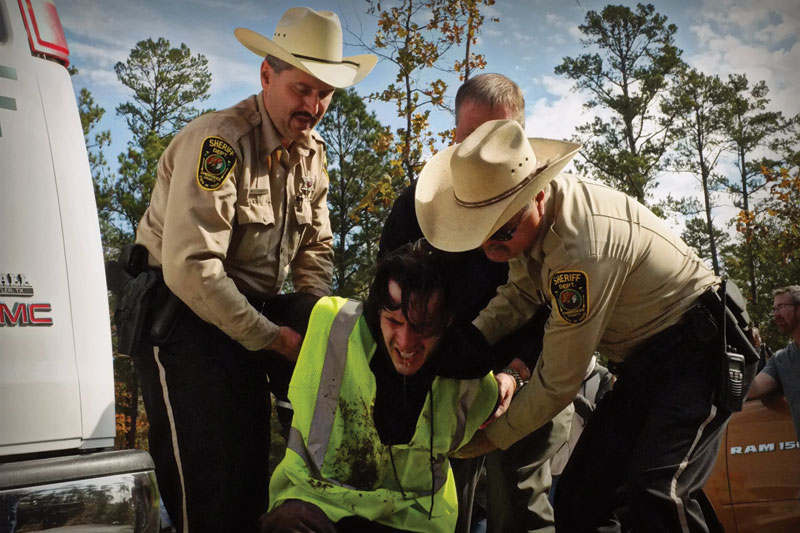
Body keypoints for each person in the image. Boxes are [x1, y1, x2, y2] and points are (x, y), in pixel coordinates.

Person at [416, 119, 738, 532]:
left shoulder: (580, 252)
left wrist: (489, 438)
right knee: (582, 499)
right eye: (481, 234)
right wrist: (463, 342)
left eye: (503, 231)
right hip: (644, 365)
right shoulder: (526, 224)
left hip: (700, 353)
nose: (492, 247)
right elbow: (520, 295)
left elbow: (558, 382)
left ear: (539, 193)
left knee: (657, 492)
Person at [130, 8, 376, 532]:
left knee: (253, 475)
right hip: (183, 322)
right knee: (214, 486)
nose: (313, 106)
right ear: (267, 77)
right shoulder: (220, 143)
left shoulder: (311, 152)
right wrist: (280, 341)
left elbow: (316, 249)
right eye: (302, 89)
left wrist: (317, 332)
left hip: (249, 323)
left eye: (325, 94)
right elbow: (193, 268)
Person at [379, 73, 571, 533]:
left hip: (533, 370)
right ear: (454, 138)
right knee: (438, 503)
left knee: (517, 497)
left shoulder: (554, 211)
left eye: (496, 137)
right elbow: (389, 298)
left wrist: (519, 370)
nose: (480, 151)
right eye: (470, 139)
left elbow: (564, 316)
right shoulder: (419, 207)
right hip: (447, 377)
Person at [259, 241, 501, 533]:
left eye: (423, 325)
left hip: (411, 519)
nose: (406, 342)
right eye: (394, 321)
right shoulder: (328, 324)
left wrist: (514, 374)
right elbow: (250, 317)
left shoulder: (473, 385)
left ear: (447, 321)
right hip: (314, 504)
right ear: (376, 313)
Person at [549, 355, 613, 501]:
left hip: (578, 464)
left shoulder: (602, 376)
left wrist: (572, 396)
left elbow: (600, 416)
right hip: (551, 459)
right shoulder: (557, 373)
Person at [748, 285, 800, 439]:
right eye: (774, 309)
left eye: (781, 307)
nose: (775, 314)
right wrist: (747, 347)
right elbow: (752, 390)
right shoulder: (781, 360)